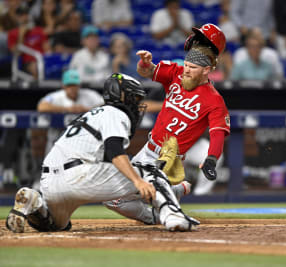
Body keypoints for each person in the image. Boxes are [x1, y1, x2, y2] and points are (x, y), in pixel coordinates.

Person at [6, 73, 198, 233]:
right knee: (149, 171)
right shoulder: (116, 113)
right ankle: (173, 215)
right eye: (135, 98)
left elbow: (110, 163)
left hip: (50, 181)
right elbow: (115, 151)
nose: (137, 104)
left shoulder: (92, 114)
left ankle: (35, 201)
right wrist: (140, 180)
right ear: (123, 97)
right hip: (79, 174)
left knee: (54, 225)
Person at [103, 23, 230, 220]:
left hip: (169, 160)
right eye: (186, 65)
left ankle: (158, 211)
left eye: (193, 67)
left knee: (122, 197)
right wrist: (145, 64)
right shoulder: (176, 72)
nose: (187, 70)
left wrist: (211, 159)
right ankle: (174, 192)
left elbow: (218, 132)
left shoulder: (214, 100)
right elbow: (147, 71)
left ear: (206, 70)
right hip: (148, 149)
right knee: (110, 197)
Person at [37, 69, 104, 155]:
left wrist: (87, 110)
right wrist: (67, 109)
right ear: (64, 86)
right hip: (57, 145)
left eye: (74, 85)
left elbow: (106, 104)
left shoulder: (89, 95)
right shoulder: (57, 96)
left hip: (82, 147)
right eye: (69, 85)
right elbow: (41, 106)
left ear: (79, 85)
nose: (72, 88)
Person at [7, 2, 50, 79]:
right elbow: (16, 52)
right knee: (35, 66)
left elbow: (47, 48)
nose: (24, 17)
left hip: (43, 59)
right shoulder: (13, 33)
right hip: (27, 62)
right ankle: (39, 89)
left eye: (26, 14)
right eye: (21, 15)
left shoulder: (38, 30)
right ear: (17, 17)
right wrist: (21, 35)